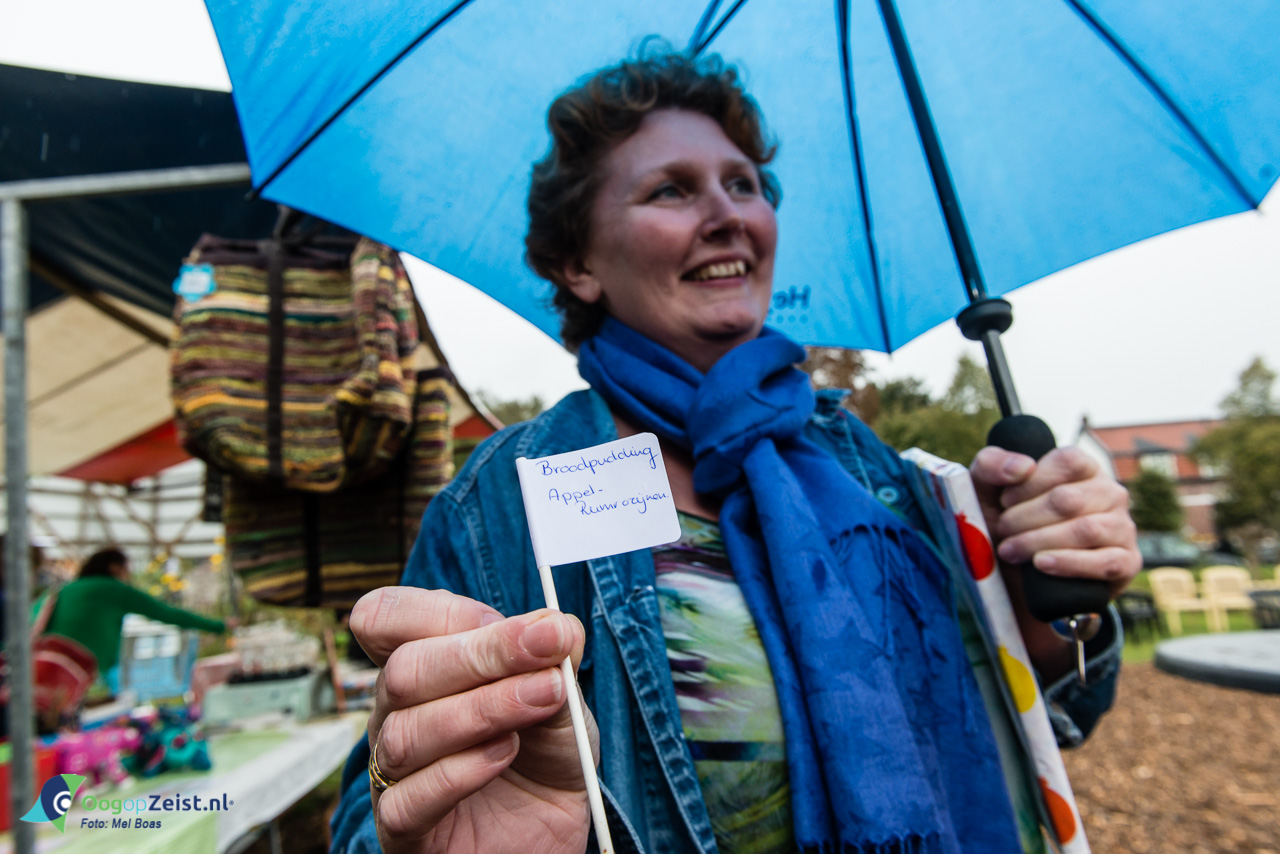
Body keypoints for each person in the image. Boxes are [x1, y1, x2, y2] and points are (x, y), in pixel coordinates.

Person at [330, 52, 1138, 854]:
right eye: (672, 189)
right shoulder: (504, 502)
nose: (729, 215)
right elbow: (377, 818)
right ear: (578, 264)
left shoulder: (869, 468)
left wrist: (1043, 599)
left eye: (744, 184)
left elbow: (1046, 717)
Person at [38, 548, 229, 691]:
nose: (128, 575)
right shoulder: (114, 588)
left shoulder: (66, 589)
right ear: (114, 568)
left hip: (50, 669)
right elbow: (166, 613)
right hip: (89, 671)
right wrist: (218, 626)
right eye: (126, 569)